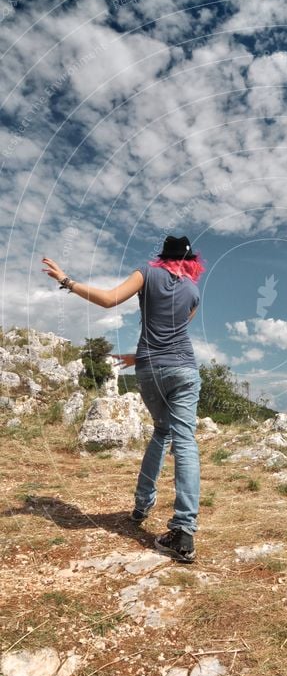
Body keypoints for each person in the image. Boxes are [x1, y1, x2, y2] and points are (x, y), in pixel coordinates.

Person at [41, 234, 206, 563]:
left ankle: (141, 506)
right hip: (184, 369)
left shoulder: (146, 272)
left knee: (161, 432)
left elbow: (109, 300)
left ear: (163, 255)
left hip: (150, 370)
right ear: (190, 260)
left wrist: (66, 280)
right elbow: (176, 332)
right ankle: (184, 531)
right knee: (185, 441)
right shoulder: (193, 291)